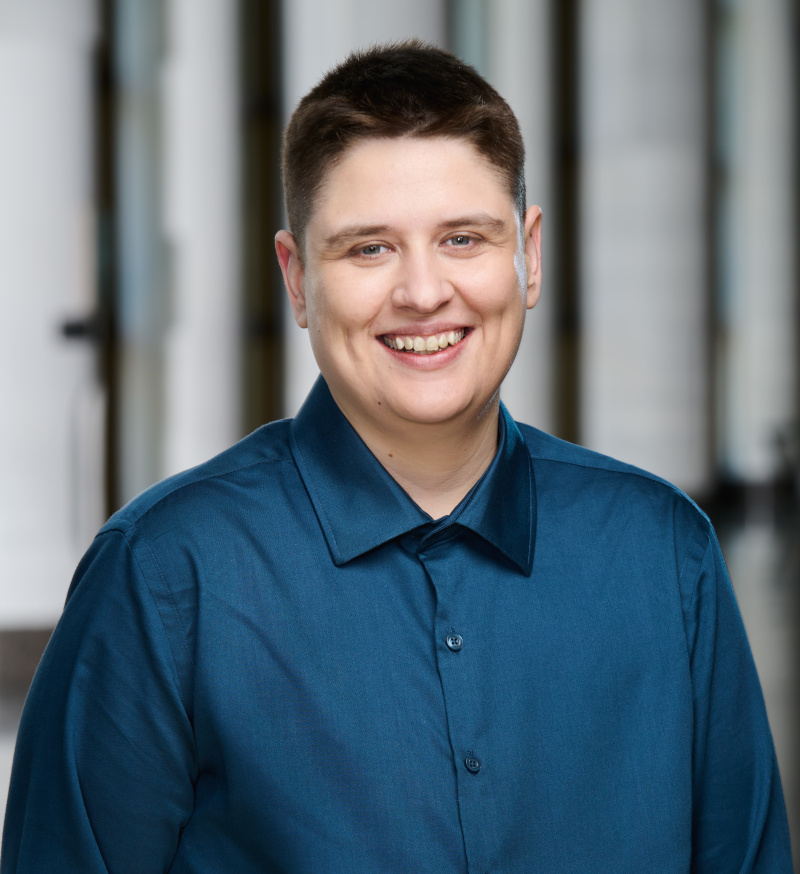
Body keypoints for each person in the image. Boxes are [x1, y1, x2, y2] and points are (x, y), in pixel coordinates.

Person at [1, 40, 793, 873]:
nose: (422, 292)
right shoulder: (164, 577)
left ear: (528, 255)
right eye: (369, 248)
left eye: (462, 238)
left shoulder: (665, 556)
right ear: (297, 278)